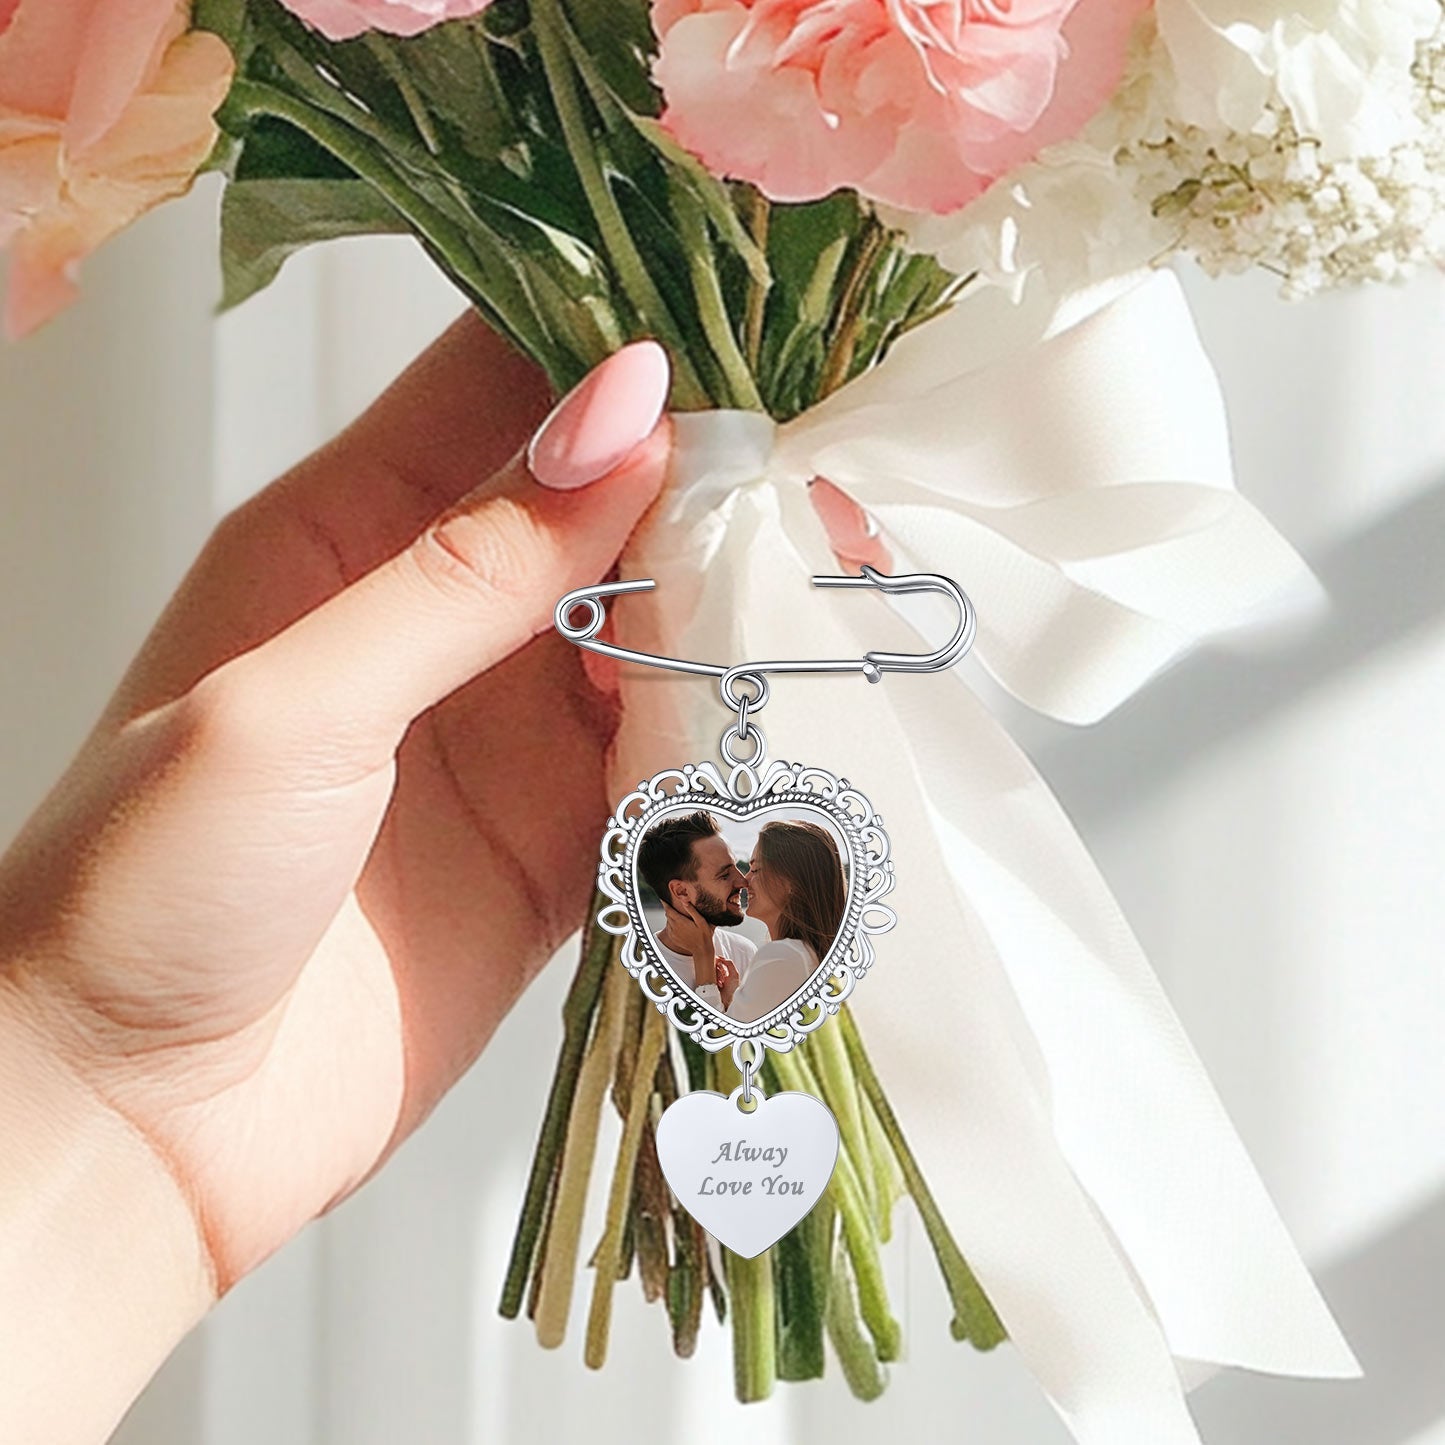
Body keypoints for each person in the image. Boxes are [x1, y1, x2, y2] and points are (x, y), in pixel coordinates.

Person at [670, 818, 847, 1024]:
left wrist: (703, 956)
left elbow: (722, 1043)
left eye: (755, 870)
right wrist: (735, 996)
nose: (745, 880)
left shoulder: (783, 956)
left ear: (792, 883)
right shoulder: (806, 955)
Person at [636, 810, 757, 998]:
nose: (743, 882)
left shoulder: (744, 952)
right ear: (681, 891)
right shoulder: (641, 969)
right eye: (724, 875)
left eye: (735, 867)